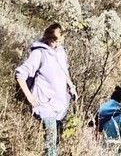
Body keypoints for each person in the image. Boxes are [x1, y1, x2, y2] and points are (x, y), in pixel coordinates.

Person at [14, 23, 78, 156]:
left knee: (55, 141)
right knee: (51, 142)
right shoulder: (39, 53)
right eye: (55, 38)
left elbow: (64, 71)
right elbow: (20, 74)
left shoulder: (60, 52)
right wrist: (30, 97)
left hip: (60, 105)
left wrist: (71, 87)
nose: (58, 41)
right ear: (50, 37)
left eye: (60, 38)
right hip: (45, 104)